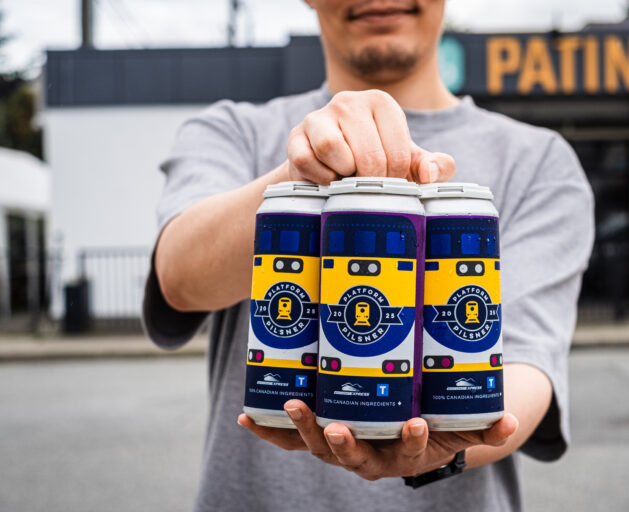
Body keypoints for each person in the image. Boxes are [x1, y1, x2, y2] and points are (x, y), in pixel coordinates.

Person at [142, 1, 594, 511]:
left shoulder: (540, 160)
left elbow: (528, 361)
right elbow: (179, 278)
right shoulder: (234, 129)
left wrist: (439, 444)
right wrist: (296, 179)